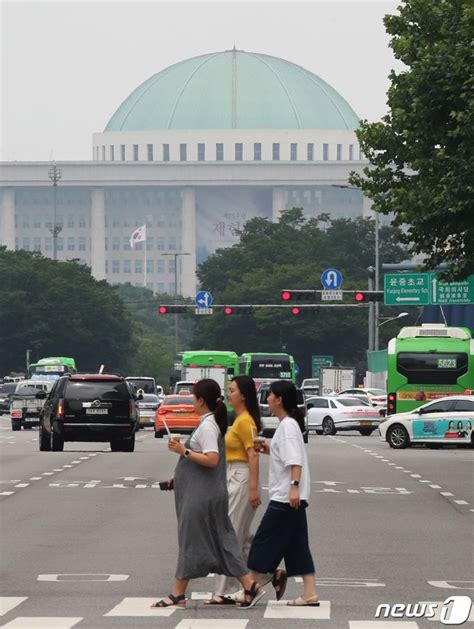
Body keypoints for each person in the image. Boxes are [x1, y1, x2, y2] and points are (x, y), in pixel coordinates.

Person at [151, 378, 265, 609]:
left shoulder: (207, 426)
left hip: (202, 498)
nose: (192, 400)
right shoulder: (209, 423)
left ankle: (177, 594)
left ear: (201, 400)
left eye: (194, 396)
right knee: (222, 543)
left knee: (191, 542)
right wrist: (180, 475)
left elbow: (212, 459)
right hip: (207, 494)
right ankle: (249, 584)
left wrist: (183, 451)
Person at [247, 380, 320, 607]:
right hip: (290, 496)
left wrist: (294, 486)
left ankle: (251, 587)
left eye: (269, 396)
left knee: (262, 541)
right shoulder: (288, 425)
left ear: (279, 400)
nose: (267, 399)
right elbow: (287, 456)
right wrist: (269, 449)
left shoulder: (287, 426)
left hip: (285, 497)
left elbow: (294, 460)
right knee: (296, 545)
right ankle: (310, 593)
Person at [205, 375, 266, 606]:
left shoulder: (245, 422)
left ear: (243, 395)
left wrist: (252, 488)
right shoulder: (240, 420)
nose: (229, 394)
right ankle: (265, 574)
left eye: (232, 390)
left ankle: (225, 591)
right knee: (239, 536)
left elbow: (253, 454)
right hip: (233, 476)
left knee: (230, 538)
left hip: (241, 478)